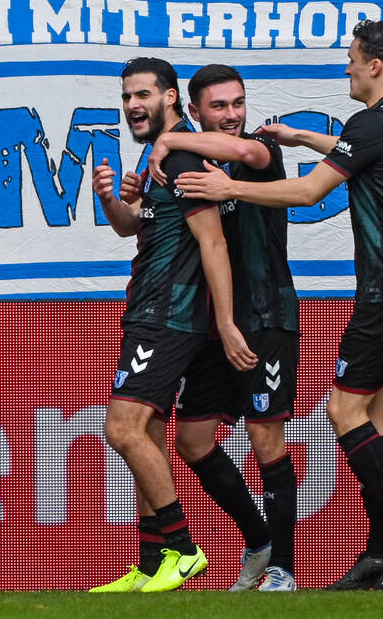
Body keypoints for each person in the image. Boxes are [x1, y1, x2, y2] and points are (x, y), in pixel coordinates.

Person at [175, 20, 383, 590]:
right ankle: (379, 549)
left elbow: (305, 193)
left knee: (342, 413)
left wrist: (231, 189)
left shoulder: (369, 121)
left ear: (373, 66)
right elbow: (365, 154)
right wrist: (306, 140)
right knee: (375, 414)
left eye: (351, 59)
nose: (346, 67)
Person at [88, 57, 257, 593]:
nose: (134, 105)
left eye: (143, 95)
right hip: (153, 310)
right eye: (127, 97)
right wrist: (111, 200)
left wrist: (226, 323)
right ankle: (151, 562)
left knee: (122, 428)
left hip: (168, 315)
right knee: (150, 434)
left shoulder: (182, 150)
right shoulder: (160, 152)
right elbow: (133, 230)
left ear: (170, 97)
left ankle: (182, 551)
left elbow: (213, 242)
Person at [142, 64, 299, 592]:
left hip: (266, 316)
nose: (232, 115)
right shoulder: (191, 163)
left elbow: (251, 156)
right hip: (214, 326)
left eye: (238, 103)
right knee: (190, 438)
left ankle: (284, 570)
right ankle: (258, 541)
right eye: (219, 107)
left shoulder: (256, 148)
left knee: (264, 435)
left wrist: (169, 138)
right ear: (196, 110)